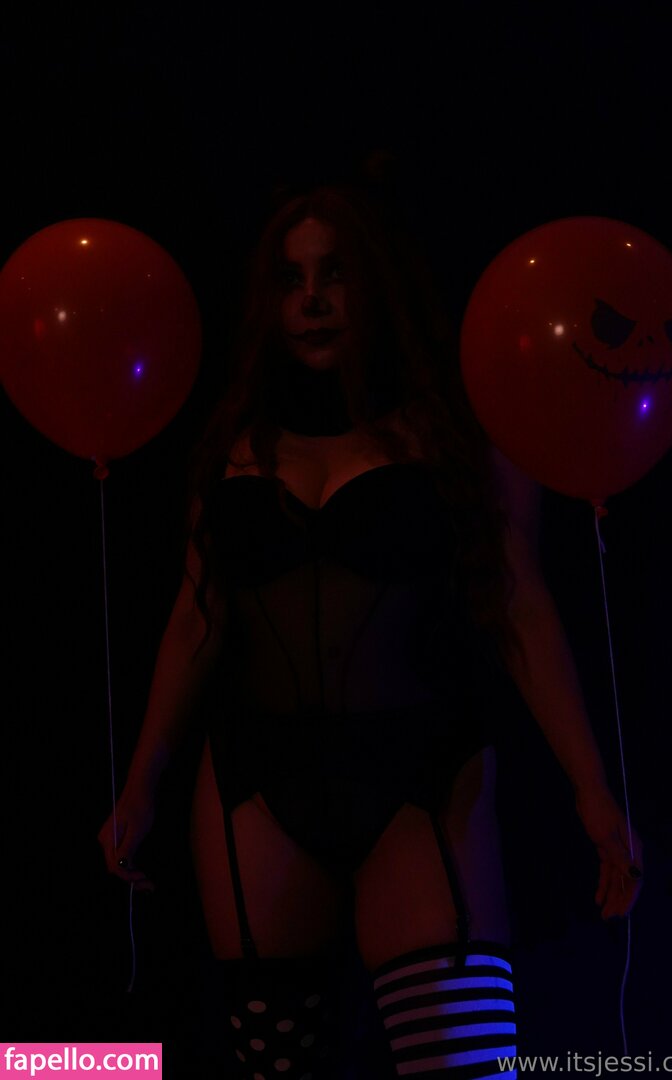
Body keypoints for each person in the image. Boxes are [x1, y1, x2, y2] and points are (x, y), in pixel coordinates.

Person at [98, 176, 643, 1078]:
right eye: (291, 279)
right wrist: (140, 785)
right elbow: (196, 617)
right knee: (280, 1063)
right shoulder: (234, 444)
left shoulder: (460, 434)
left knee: (467, 1062)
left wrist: (592, 788)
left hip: (420, 777)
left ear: (376, 284)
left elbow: (520, 606)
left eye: (335, 274)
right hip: (255, 786)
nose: (312, 300)